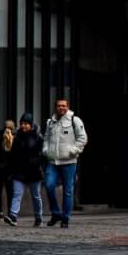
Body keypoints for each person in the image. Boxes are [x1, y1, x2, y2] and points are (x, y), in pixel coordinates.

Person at [41, 97, 87, 227]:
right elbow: (46, 138)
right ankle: (56, 213)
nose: (61, 108)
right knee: (49, 186)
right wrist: (46, 150)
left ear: (67, 107)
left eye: (63, 106)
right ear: (56, 107)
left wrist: (73, 151)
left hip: (69, 161)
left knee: (68, 190)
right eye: (59, 106)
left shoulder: (75, 120)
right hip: (53, 161)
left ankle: (65, 218)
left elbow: (83, 139)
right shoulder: (51, 122)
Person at [6, 113, 45, 226]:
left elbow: (43, 154)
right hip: (19, 170)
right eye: (22, 123)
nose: (23, 126)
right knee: (17, 194)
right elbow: (12, 154)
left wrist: (38, 163)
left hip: (34, 171)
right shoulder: (17, 137)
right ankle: (13, 216)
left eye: (26, 123)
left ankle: (38, 218)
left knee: (36, 196)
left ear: (31, 124)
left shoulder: (38, 137)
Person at [0, 119, 15, 225]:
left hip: (2, 169)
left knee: (1, 192)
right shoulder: (2, 137)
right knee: (8, 192)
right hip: (4, 169)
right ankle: (6, 212)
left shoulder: (5, 137)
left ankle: (1, 212)